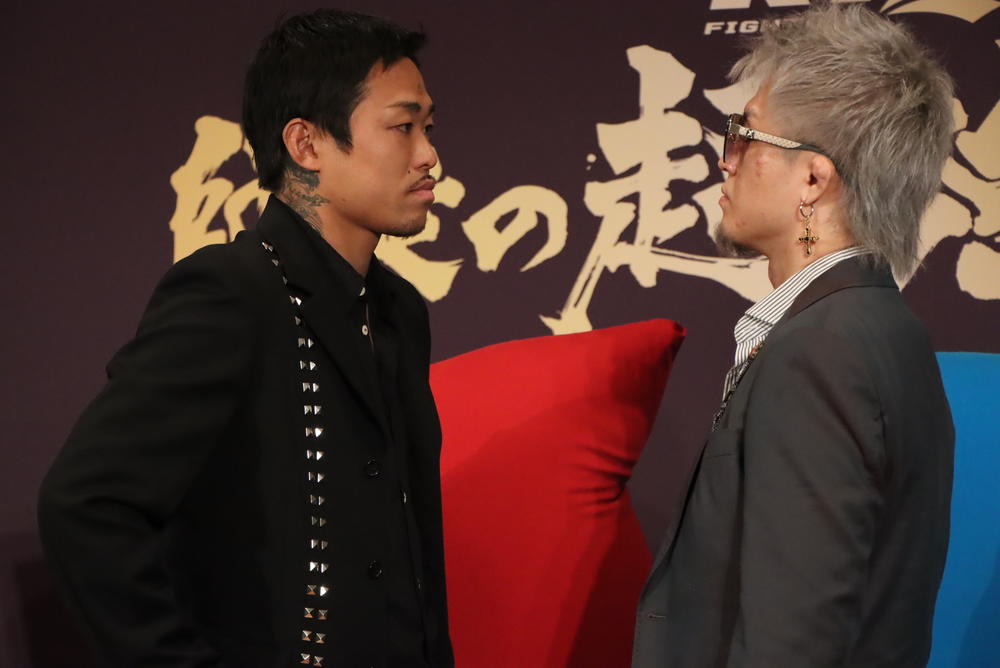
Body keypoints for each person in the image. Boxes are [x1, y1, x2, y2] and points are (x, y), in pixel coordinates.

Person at [38, 9, 453, 668]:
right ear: (306, 144)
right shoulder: (230, 292)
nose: (429, 155)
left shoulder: (399, 309)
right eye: (403, 127)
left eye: (428, 128)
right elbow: (86, 506)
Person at [633, 4, 955, 667]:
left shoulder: (821, 350)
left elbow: (794, 636)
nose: (726, 160)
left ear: (812, 177)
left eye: (744, 134)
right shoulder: (884, 328)